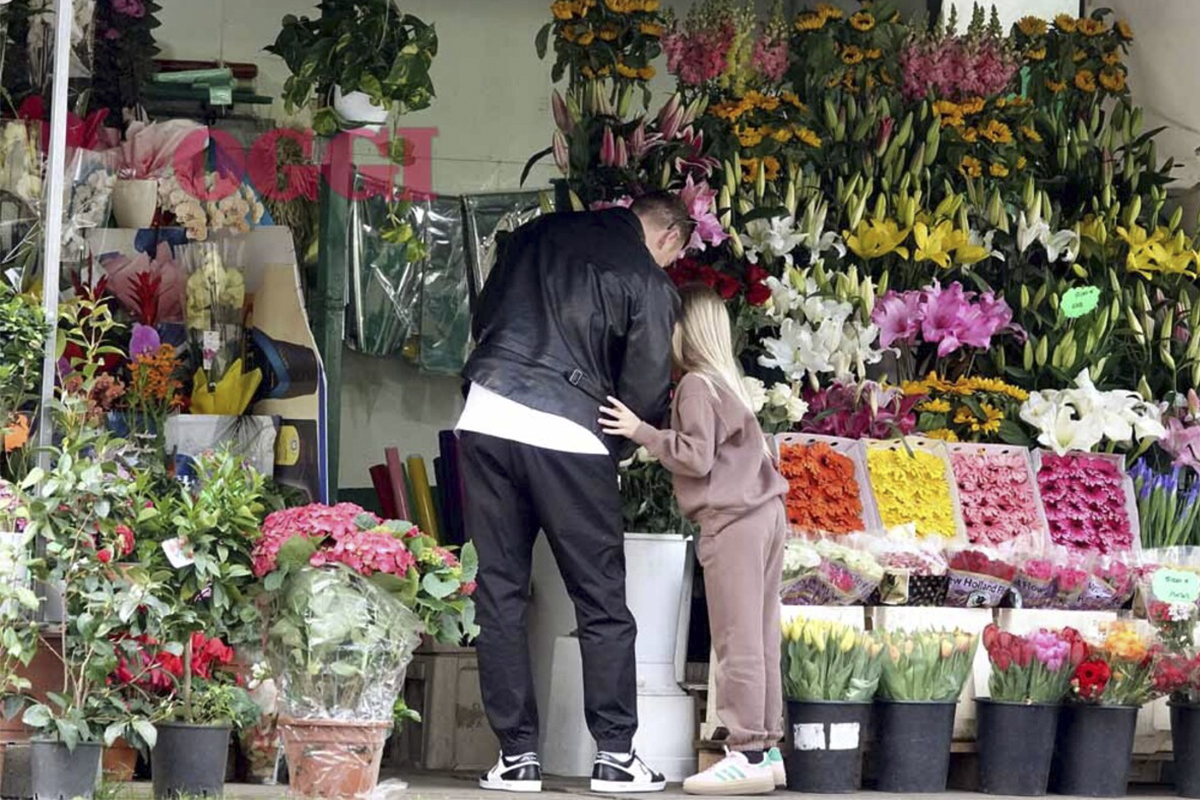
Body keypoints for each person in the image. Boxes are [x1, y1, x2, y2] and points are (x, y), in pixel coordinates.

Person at [458, 192, 693, 794]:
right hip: (570, 433)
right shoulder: (647, 279)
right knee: (601, 601)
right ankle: (615, 755)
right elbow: (640, 395)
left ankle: (516, 758)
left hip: (485, 415)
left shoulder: (536, 233)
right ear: (670, 238)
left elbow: (485, 315)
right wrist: (617, 450)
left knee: (500, 593)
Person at [599, 284, 790, 796]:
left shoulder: (696, 387)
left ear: (683, 330)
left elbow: (695, 457)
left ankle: (745, 751)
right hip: (768, 514)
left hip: (733, 521)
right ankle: (766, 749)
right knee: (762, 633)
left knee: (736, 638)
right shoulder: (730, 385)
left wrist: (641, 431)